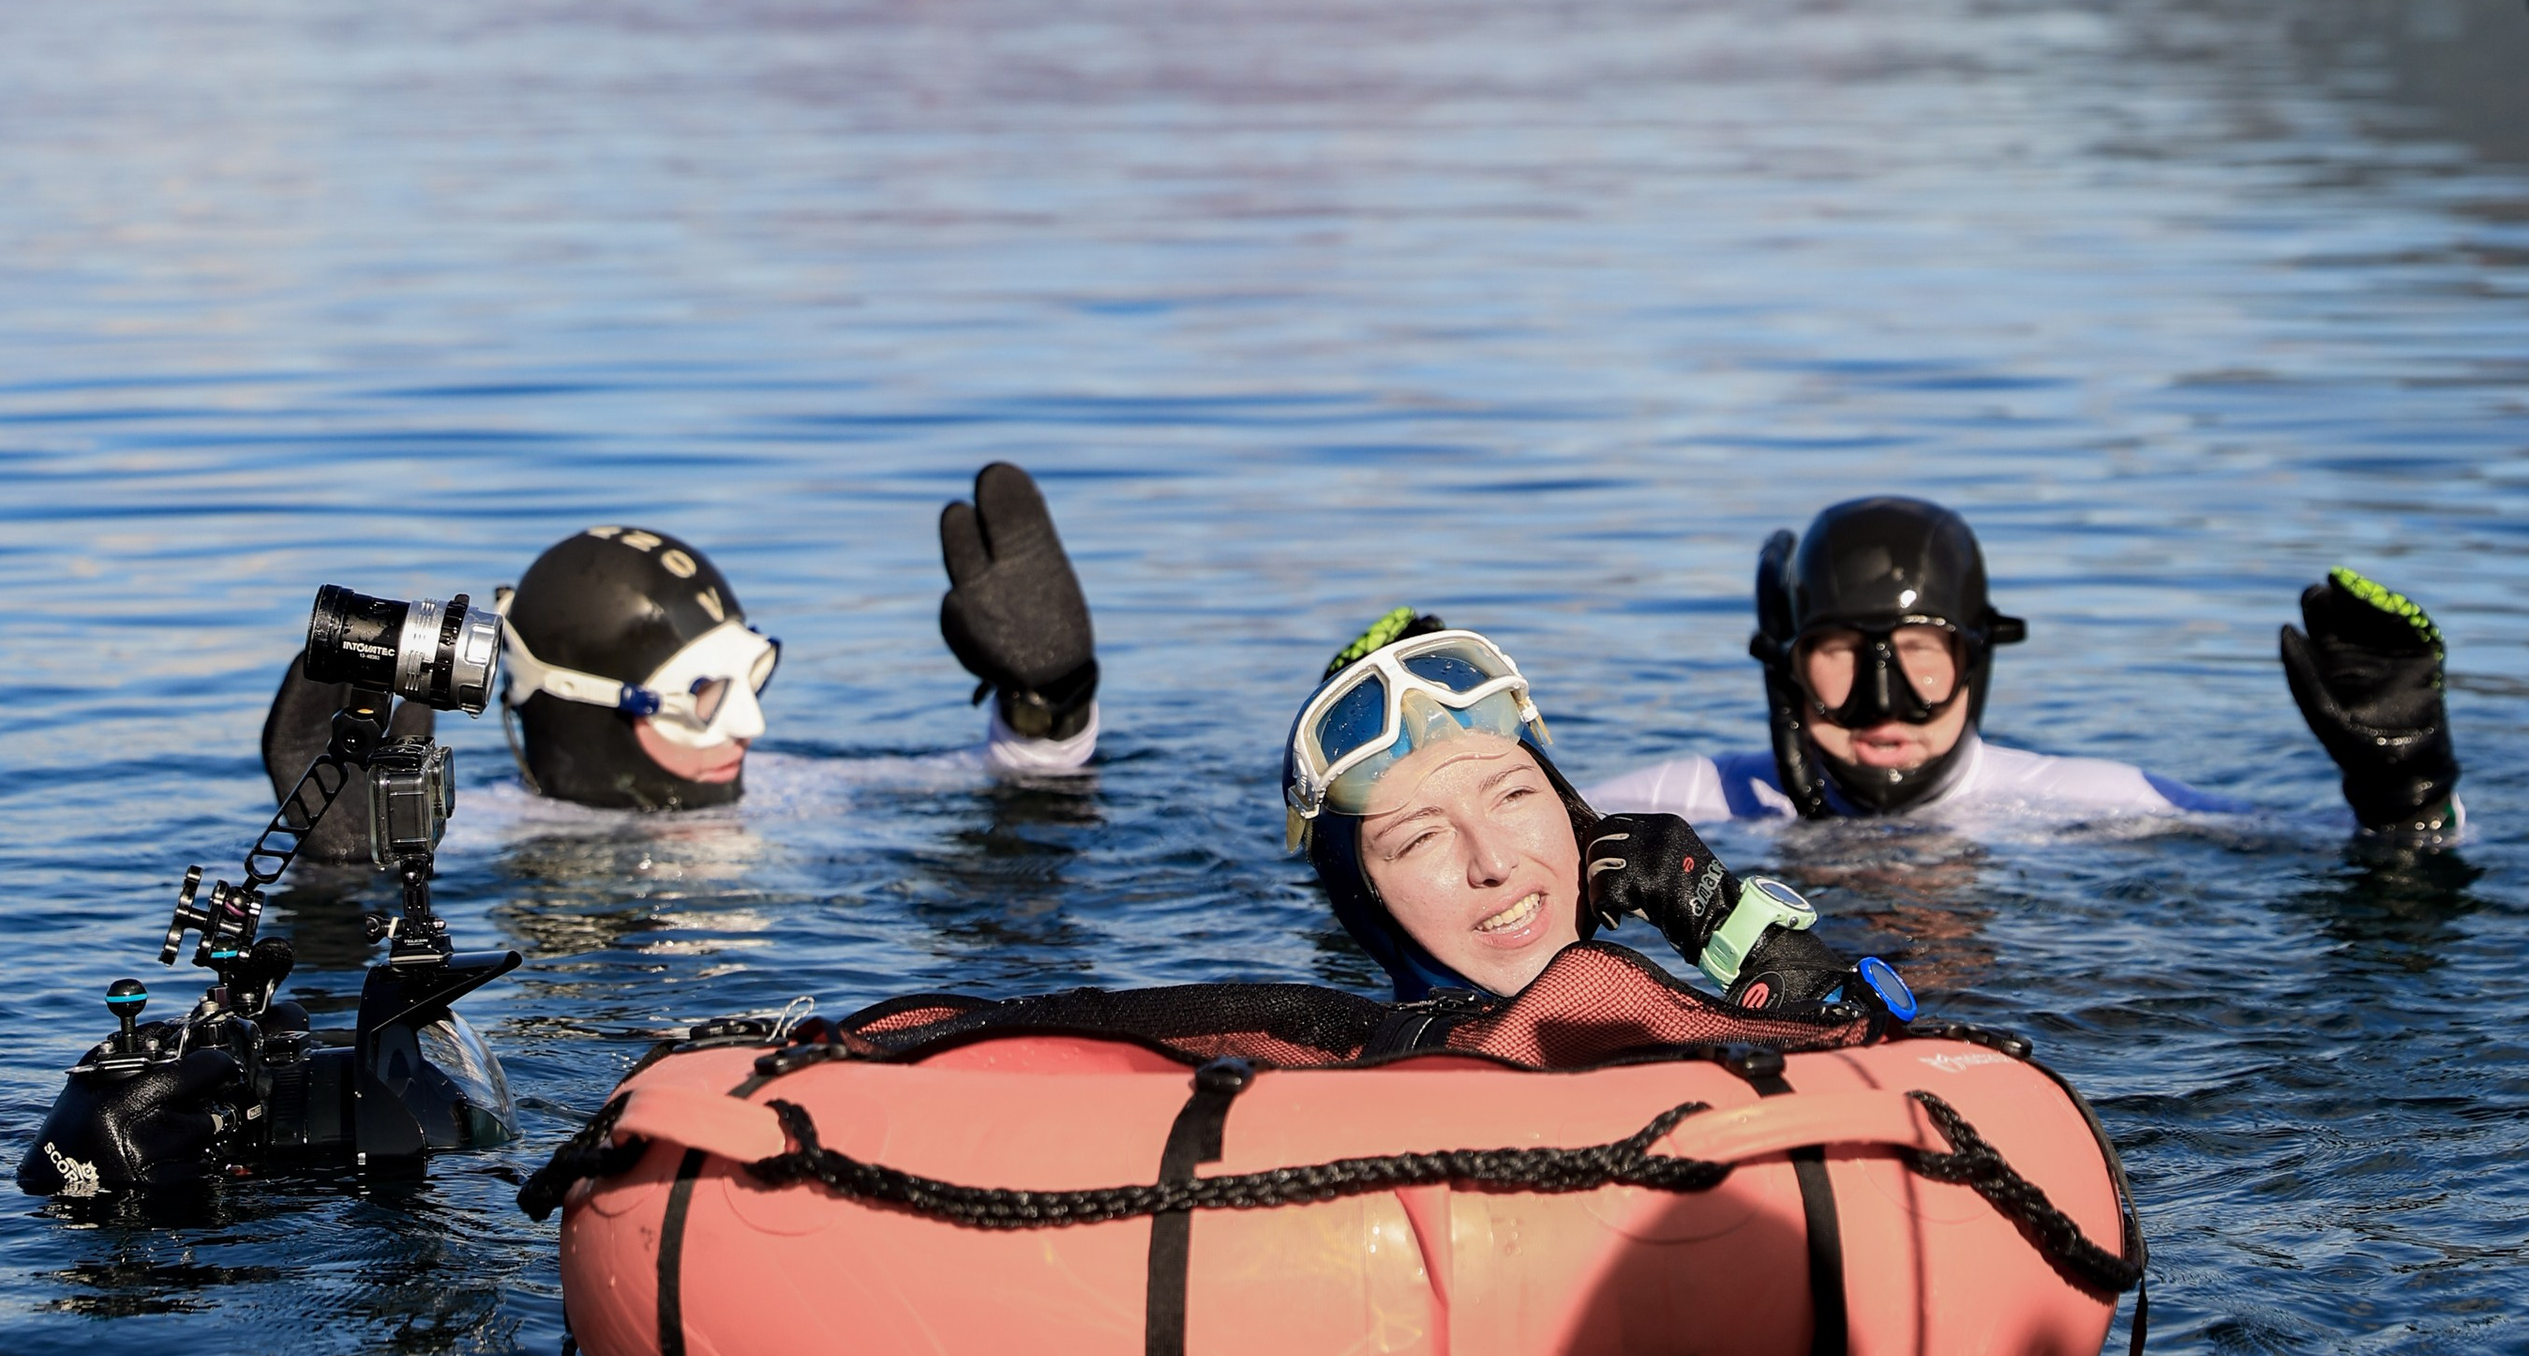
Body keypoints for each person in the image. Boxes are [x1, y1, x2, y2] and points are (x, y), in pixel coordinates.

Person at [259, 462, 1100, 842]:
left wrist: (1050, 697)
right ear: (588, 705)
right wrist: (347, 857)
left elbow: (1026, 784)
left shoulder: (789, 791)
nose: (749, 727)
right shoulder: (486, 827)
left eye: (752, 675)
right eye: (703, 692)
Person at [1584, 495, 2464, 840]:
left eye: (1925, 659)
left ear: (1980, 659)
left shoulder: (2082, 801)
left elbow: (2338, 850)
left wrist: (2407, 792)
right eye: (1841, 660)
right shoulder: (1695, 800)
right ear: (1784, 667)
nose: (1883, 704)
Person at [1284, 604, 1916, 1024]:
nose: (1496, 863)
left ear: (1574, 814)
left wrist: (1731, 926)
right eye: (1421, 837)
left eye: (1514, 795)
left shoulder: (1665, 1014)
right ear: (1361, 902)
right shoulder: (1351, 1081)